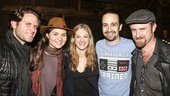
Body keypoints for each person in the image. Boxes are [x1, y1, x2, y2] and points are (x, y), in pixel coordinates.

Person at [125, 9, 170, 96]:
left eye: (142, 29)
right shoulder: (134, 54)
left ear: (153, 27)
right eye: (134, 30)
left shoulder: (167, 55)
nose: (137, 35)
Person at [0, 6, 40, 96]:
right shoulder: (2, 50)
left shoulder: (26, 51)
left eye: (35, 26)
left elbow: (25, 87)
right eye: (28, 24)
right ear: (14, 24)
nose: (33, 30)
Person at [95, 9, 136, 96]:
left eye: (113, 25)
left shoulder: (131, 45)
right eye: (105, 25)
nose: (109, 29)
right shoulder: (98, 45)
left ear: (120, 27)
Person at [31, 17, 72, 96]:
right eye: (55, 34)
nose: (60, 38)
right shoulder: (34, 54)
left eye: (63, 35)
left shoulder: (66, 58)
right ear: (47, 35)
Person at [63, 23, 99, 96]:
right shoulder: (65, 56)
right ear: (73, 39)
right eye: (78, 36)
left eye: (85, 36)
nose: (82, 40)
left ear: (89, 39)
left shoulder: (96, 58)